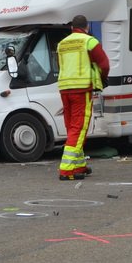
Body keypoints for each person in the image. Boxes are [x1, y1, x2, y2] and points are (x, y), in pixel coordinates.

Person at [56, 14, 110, 180]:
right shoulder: (89, 41)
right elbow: (104, 64)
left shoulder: (62, 44)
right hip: (81, 88)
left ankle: (78, 166)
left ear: (72, 28)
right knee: (79, 128)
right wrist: (101, 79)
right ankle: (66, 169)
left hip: (64, 88)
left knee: (72, 127)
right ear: (87, 27)